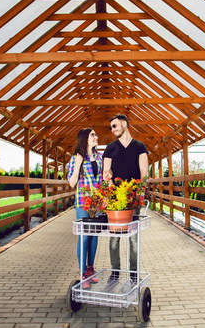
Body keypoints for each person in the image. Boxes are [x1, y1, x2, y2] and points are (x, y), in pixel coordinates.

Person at [102, 114, 149, 283]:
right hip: (115, 199)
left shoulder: (140, 146)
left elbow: (144, 171)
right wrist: (109, 193)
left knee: (133, 237)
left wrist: (139, 192)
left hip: (133, 198)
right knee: (114, 236)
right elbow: (106, 173)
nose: (112, 129)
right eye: (110, 127)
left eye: (114, 126)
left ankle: (133, 273)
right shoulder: (110, 148)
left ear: (124, 124)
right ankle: (115, 271)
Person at [67, 128, 103, 289]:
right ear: (84, 138)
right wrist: (78, 165)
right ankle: (82, 273)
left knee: (94, 236)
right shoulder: (76, 158)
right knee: (84, 236)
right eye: (93, 135)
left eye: (96, 134)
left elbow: (101, 180)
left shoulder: (100, 157)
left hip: (97, 204)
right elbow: (72, 183)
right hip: (82, 202)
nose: (96, 137)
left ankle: (90, 268)